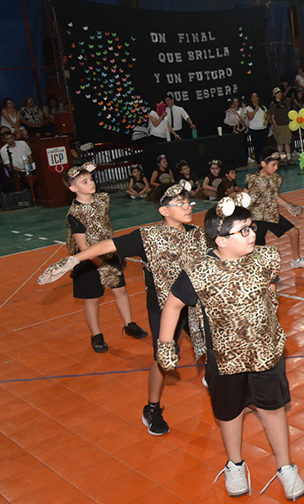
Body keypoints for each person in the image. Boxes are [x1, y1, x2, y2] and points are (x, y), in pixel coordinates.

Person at [157, 196, 304, 501]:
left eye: (251, 228)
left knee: (273, 409)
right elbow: (173, 305)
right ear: (220, 240)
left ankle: (286, 467)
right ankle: (235, 464)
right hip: (224, 358)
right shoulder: (199, 272)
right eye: (244, 231)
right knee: (229, 412)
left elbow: (271, 294)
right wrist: (165, 344)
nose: (253, 234)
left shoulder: (265, 259)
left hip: (265, 352)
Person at [38, 180, 211, 436]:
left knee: (211, 343)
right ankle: (152, 408)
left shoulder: (197, 233)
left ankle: (219, 381)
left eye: (189, 202)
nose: (188, 206)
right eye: (181, 203)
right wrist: (73, 259)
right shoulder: (147, 237)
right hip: (163, 308)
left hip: (195, 305)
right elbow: (108, 245)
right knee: (162, 360)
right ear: (164, 210)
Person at [62, 163, 147, 352]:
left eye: (91, 180)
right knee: (93, 298)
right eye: (85, 182)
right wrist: (101, 266)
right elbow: (84, 247)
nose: (91, 183)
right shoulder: (74, 215)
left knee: (121, 290)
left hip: (109, 252)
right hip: (88, 260)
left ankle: (129, 324)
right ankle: (96, 335)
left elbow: (96, 201)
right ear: (73, 188)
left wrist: (85, 171)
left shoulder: (102, 200)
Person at [246, 148, 304, 268]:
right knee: (258, 245)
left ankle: (296, 260)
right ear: (263, 164)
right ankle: (253, 267)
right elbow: (247, 199)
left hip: (272, 214)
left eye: (277, 164)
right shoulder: (253, 179)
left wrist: (288, 205)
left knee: (294, 232)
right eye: (273, 165)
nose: (276, 168)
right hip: (258, 217)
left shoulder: (275, 178)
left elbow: (275, 196)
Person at [244, 92, 269, 163]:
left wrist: (266, 121)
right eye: (253, 97)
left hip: (263, 128)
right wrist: (255, 110)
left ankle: (264, 161)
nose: (255, 98)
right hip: (254, 129)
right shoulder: (249, 108)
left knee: (264, 146)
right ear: (251, 99)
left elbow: (266, 116)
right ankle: (259, 162)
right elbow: (250, 118)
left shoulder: (263, 107)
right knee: (257, 146)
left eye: (256, 96)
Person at [269, 87, 293, 158]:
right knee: (280, 143)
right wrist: (276, 128)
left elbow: (288, 114)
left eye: (280, 93)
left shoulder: (284, 103)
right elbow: (272, 117)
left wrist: (290, 124)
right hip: (279, 125)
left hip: (286, 125)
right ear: (274, 95)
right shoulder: (273, 104)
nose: (279, 94)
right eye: (277, 93)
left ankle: (289, 158)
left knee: (287, 142)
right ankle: (281, 159)